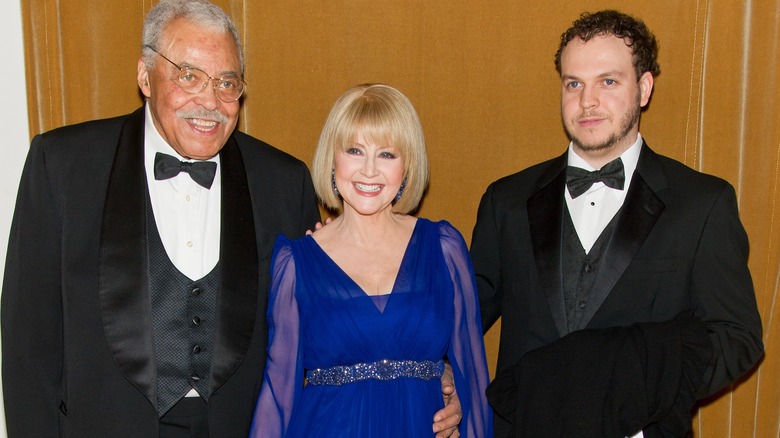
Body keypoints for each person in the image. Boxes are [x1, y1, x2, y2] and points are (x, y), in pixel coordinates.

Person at [1, 1, 461, 437]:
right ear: (145, 75)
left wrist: (430, 375)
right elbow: (28, 346)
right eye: (189, 76)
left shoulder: (282, 181)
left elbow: (324, 331)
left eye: (227, 82)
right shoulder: (63, 166)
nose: (211, 100)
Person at [470, 10, 764, 438]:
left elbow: (737, 338)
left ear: (643, 88)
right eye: (574, 83)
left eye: (608, 81)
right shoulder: (506, 200)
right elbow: (459, 317)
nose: (587, 101)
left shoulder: (703, 203)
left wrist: (639, 393)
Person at [249, 83, 492, 437]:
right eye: (354, 150)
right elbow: (278, 391)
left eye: (387, 154)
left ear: (407, 165)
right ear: (332, 159)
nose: (369, 171)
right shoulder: (295, 262)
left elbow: (473, 378)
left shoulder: (444, 248)